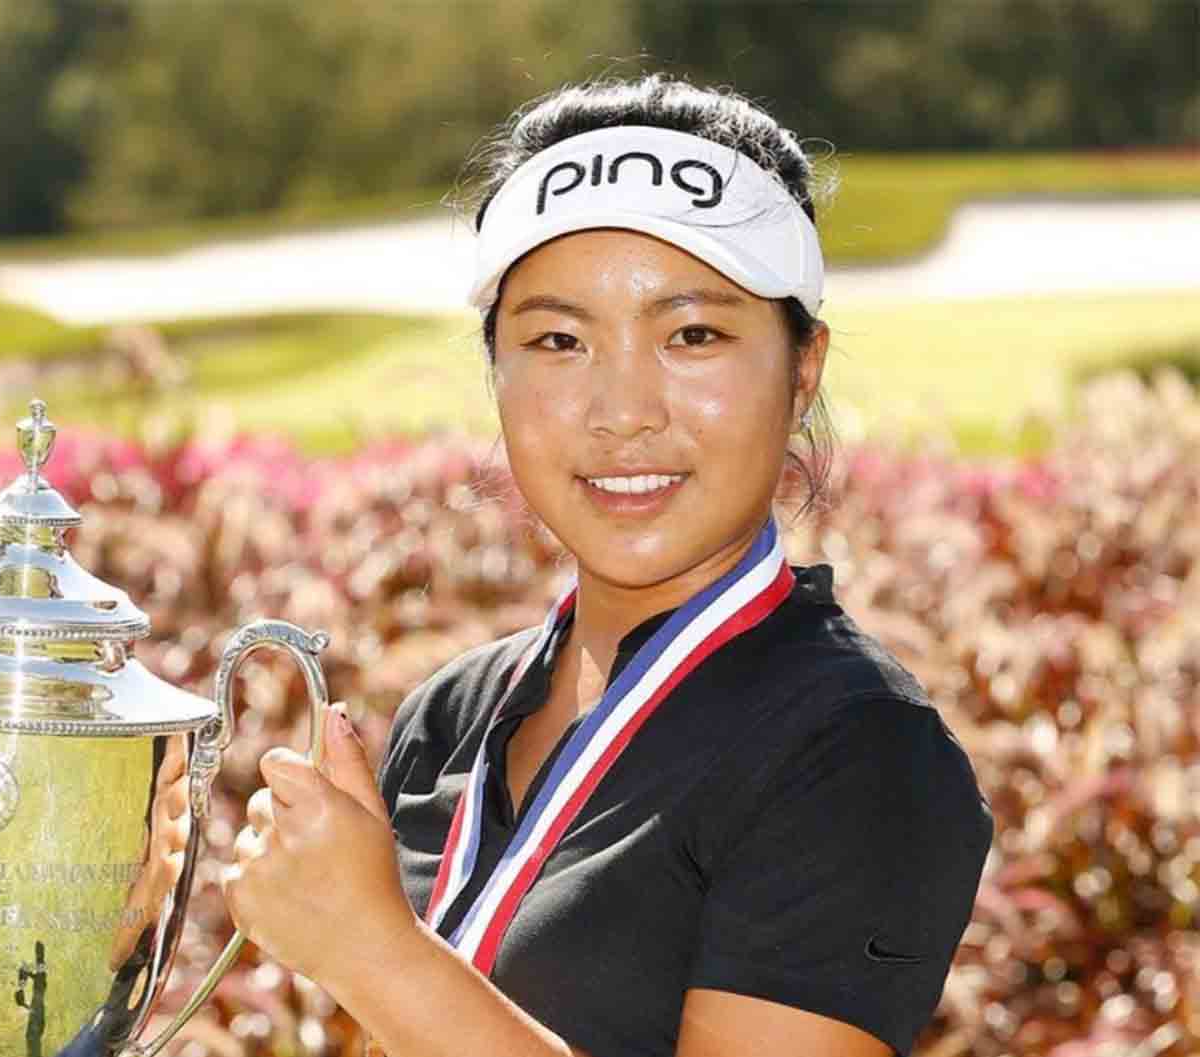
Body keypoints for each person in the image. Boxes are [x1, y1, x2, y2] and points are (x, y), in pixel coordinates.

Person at [219, 73, 994, 1057]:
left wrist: (371, 950)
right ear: (496, 370)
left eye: (693, 334)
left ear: (803, 370)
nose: (623, 411)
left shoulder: (859, 749)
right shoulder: (448, 715)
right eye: (558, 339)